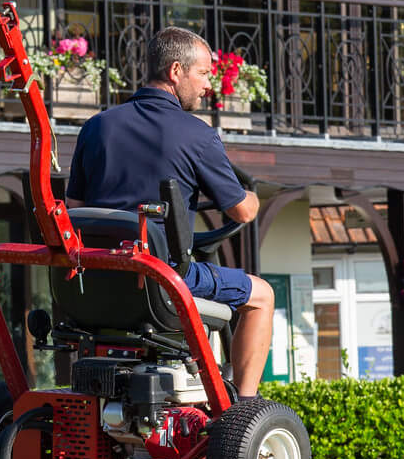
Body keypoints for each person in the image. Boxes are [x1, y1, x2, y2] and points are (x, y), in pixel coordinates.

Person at [64, 26, 273, 396]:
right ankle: (244, 407)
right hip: (163, 282)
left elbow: (74, 213)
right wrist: (253, 197)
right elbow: (240, 211)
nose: (209, 85)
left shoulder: (95, 128)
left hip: (93, 289)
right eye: (204, 73)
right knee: (261, 296)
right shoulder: (198, 135)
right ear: (176, 71)